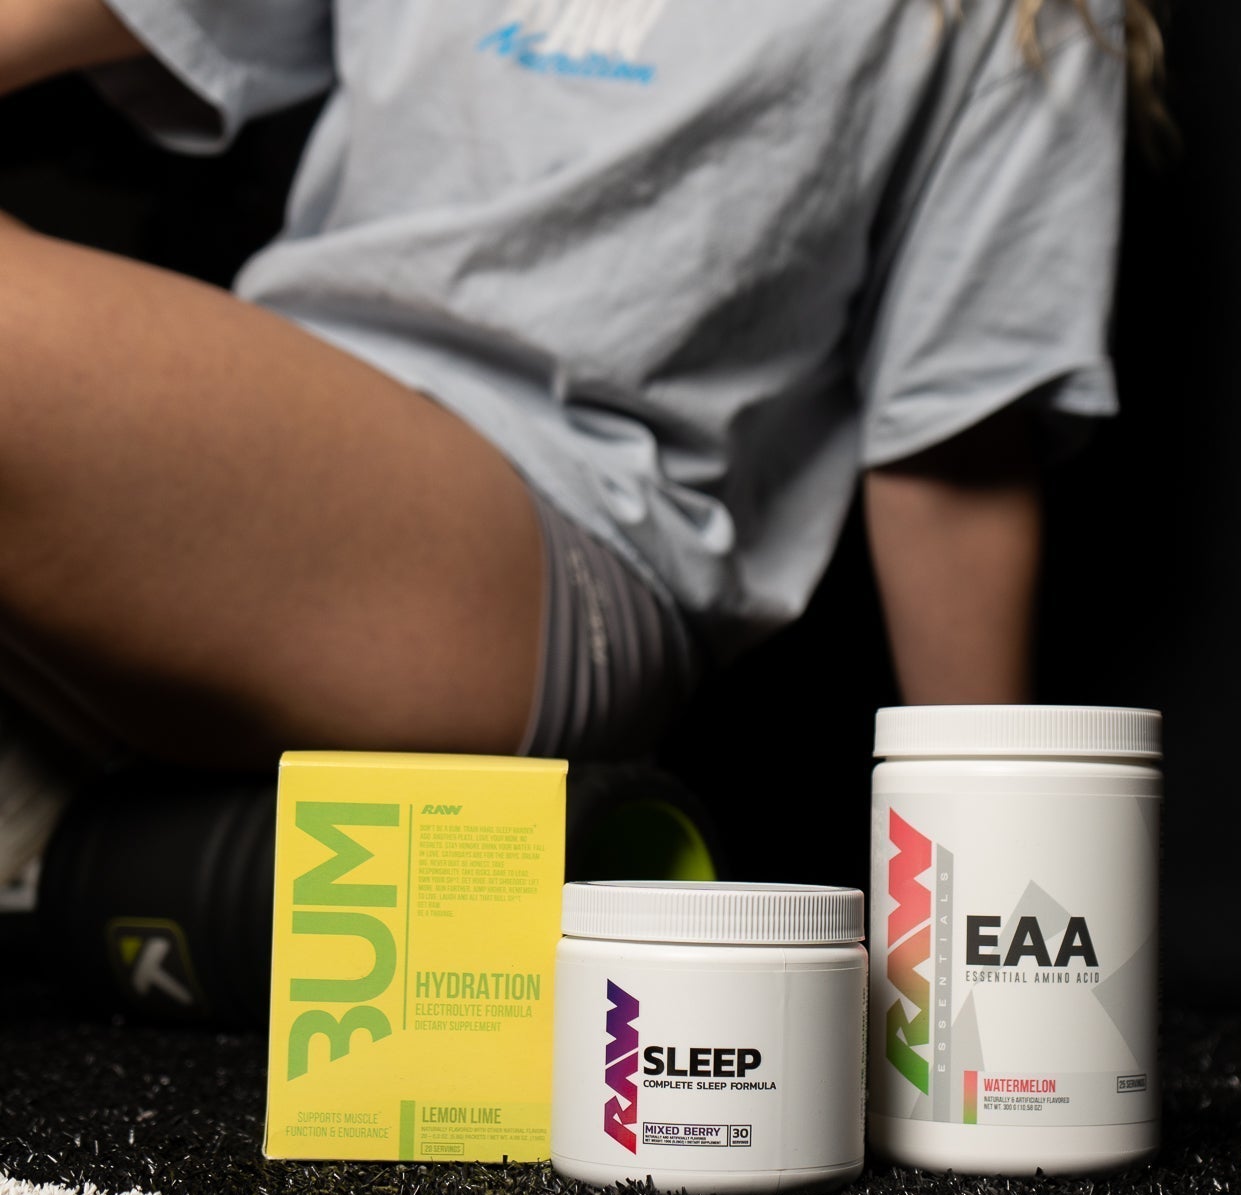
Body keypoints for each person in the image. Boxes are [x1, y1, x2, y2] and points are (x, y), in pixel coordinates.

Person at [0, 0, 1156, 883]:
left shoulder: (1016, 19)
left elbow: (952, 453)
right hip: (278, 452)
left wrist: (984, 903)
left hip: (557, 540)